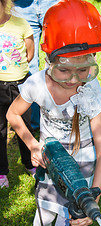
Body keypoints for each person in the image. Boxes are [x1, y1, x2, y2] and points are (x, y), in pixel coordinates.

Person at [7, 0, 101, 226]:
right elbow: (12, 114)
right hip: (51, 162)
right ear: (49, 59)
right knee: (44, 216)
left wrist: (93, 197)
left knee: (69, 221)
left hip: (84, 163)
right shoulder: (36, 84)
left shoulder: (91, 88)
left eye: (84, 69)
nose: (73, 79)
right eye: (64, 70)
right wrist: (32, 145)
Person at [0, 0, 36, 188]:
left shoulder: (20, 24)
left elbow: (30, 54)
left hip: (20, 87)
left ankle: (30, 163)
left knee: (25, 126)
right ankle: (1, 172)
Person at [13, 0, 59, 130]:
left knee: (58, 63)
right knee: (26, 67)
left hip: (53, 3)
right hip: (21, 5)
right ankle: (31, 122)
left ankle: (58, 118)